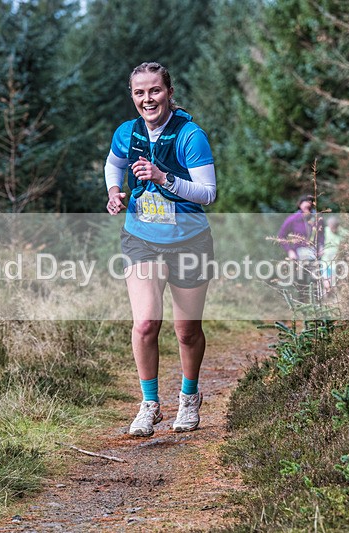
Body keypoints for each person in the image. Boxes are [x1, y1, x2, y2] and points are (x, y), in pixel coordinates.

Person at [105, 62, 217, 438]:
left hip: (189, 240)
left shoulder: (190, 135)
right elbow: (113, 165)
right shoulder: (126, 132)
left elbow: (208, 193)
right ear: (132, 96)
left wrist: (163, 177)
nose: (147, 99)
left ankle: (189, 396)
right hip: (141, 238)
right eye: (140, 92)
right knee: (146, 323)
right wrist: (114, 192)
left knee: (186, 330)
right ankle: (149, 405)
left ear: (168, 92)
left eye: (154, 91)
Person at [278, 194, 325, 261]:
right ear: (300, 206)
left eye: (310, 208)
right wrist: (290, 251)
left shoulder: (318, 219)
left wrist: (321, 247)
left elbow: (321, 235)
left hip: (315, 256)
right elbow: (281, 236)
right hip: (298, 256)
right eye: (306, 208)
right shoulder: (293, 219)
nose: (308, 210)